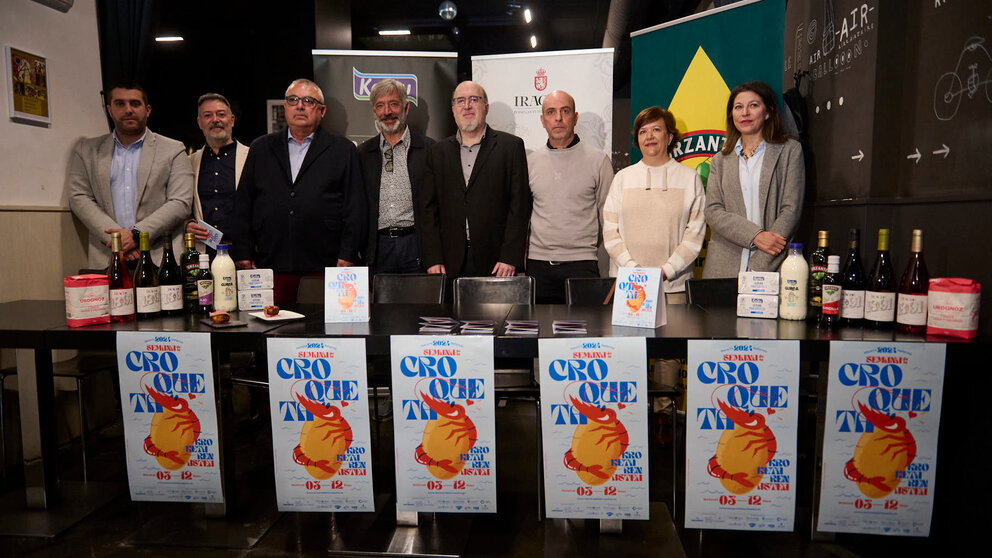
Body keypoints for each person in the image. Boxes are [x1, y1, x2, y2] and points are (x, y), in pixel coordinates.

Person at [230, 78, 366, 304]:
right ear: (285, 108)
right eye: (293, 100)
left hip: (326, 264)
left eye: (308, 101)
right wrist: (243, 251)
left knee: (322, 335)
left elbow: (356, 207)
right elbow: (243, 203)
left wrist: (348, 253)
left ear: (321, 111)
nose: (300, 106)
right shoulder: (261, 148)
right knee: (274, 333)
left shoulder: (342, 150)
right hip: (271, 262)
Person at [67, 81, 193, 268]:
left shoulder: (173, 149)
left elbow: (180, 202)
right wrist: (119, 240)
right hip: (107, 256)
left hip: (160, 258)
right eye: (120, 104)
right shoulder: (86, 150)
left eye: (135, 103)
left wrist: (136, 235)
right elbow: (79, 197)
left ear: (147, 110)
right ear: (110, 110)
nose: (128, 110)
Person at [416, 81, 531, 280]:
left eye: (473, 100)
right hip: (448, 263)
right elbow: (427, 209)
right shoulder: (437, 152)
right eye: (460, 101)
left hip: (498, 263)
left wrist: (510, 257)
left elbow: (519, 206)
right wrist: (432, 258)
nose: (467, 106)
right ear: (453, 110)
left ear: (486, 107)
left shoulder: (510, 147)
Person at [603, 106, 705, 303]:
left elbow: (695, 235)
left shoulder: (689, 178)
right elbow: (610, 232)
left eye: (656, 130)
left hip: (674, 289)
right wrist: (634, 270)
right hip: (629, 287)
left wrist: (666, 271)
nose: (649, 136)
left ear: (669, 137)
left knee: (675, 333)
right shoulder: (622, 178)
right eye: (643, 131)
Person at [702, 81, 805, 277]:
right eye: (738, 107)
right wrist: (754, 236)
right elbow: (713, 211)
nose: (745, 113)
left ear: (768, 112)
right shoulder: (720, 160)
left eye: (754, 105)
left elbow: (791, 210)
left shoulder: (790, 151)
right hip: (722, 267)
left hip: (770, 262)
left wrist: (760, 264)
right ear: (732, 115)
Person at [526, 90, 613, 303]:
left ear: (575, 118)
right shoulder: (530, 162)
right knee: (540, 333)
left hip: (582, 265)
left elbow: (609, 218)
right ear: (542, 120)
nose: (558, 118)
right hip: (538, 266)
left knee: (587, 333)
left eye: (565, 111)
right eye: (551, 112)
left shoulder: (599, 161)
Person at [357, 79, 435, 274]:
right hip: (377, 248)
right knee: (379, 305)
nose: (387, 112)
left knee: (419, 304)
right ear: (374, 112)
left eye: (393, 104)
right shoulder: (363, 153)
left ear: (406, 108)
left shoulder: (430, 149)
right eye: (380, 106)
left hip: (417, 245)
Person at [185, 93, 248, 253]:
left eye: (221, 114)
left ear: (232, 120)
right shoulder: (189, 163)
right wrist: (187, 224)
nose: (215, 120)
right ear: (200, 123)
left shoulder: (252, 157)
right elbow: (179, 206)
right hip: (203, 252)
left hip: (244, 253)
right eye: (208, 115)